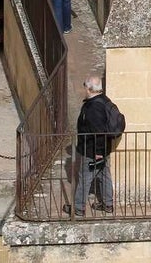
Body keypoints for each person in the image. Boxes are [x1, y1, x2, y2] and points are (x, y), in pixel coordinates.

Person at [64, 75, 115, 216]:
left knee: (85, 177)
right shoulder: (103, 100)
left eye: (85, 86)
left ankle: (78, 208)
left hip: (92, 150)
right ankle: (108, 204)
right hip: (102, 149)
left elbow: (99, 132)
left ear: (90, 89)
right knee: (104, 176)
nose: (84, 89)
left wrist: (97, 152)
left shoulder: (94, 107)